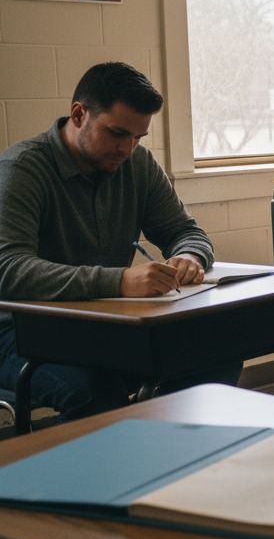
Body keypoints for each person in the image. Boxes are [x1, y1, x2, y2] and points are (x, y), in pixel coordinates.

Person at [0, 62, 242, 421]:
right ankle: (116, 468)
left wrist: (190, 255)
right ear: (78, 114)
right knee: (98, 391)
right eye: (117, 134)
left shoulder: (137, 164)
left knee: (217, 355)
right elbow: (8, 269)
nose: (128, 149)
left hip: (99, 325)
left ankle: (161, 459)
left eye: (138, 138)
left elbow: (185, 232)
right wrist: (118, 281)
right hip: (17, 333)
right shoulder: (22, 169)